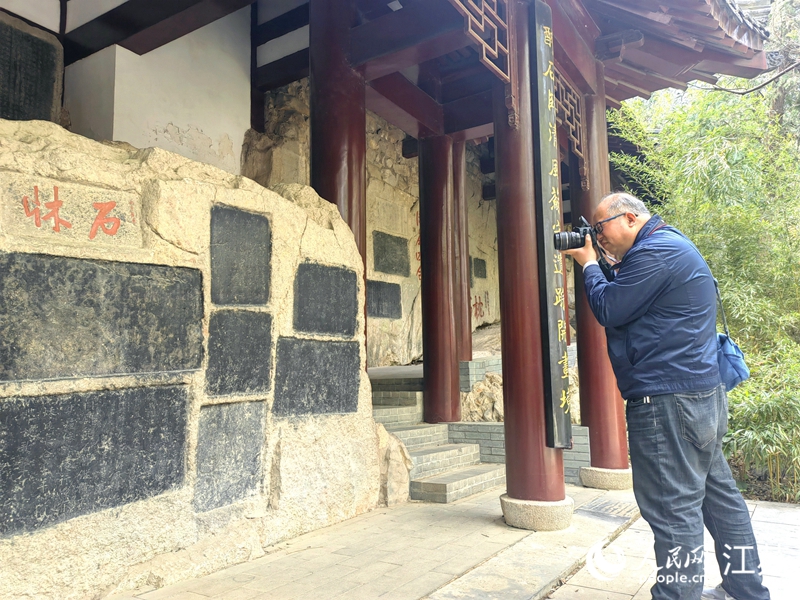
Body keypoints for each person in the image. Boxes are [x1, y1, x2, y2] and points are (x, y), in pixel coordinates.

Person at [562, 192, 769, 600]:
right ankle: (746, 590)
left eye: (600, 228)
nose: (597, 237)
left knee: (673, 511)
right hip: (698, 397)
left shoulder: (655, 253)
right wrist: (600, 261)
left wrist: (587, 264)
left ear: (631, 219)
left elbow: (609, 308)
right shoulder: (667, 245)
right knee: (720, 501)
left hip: (667, 402)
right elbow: (631, 298)